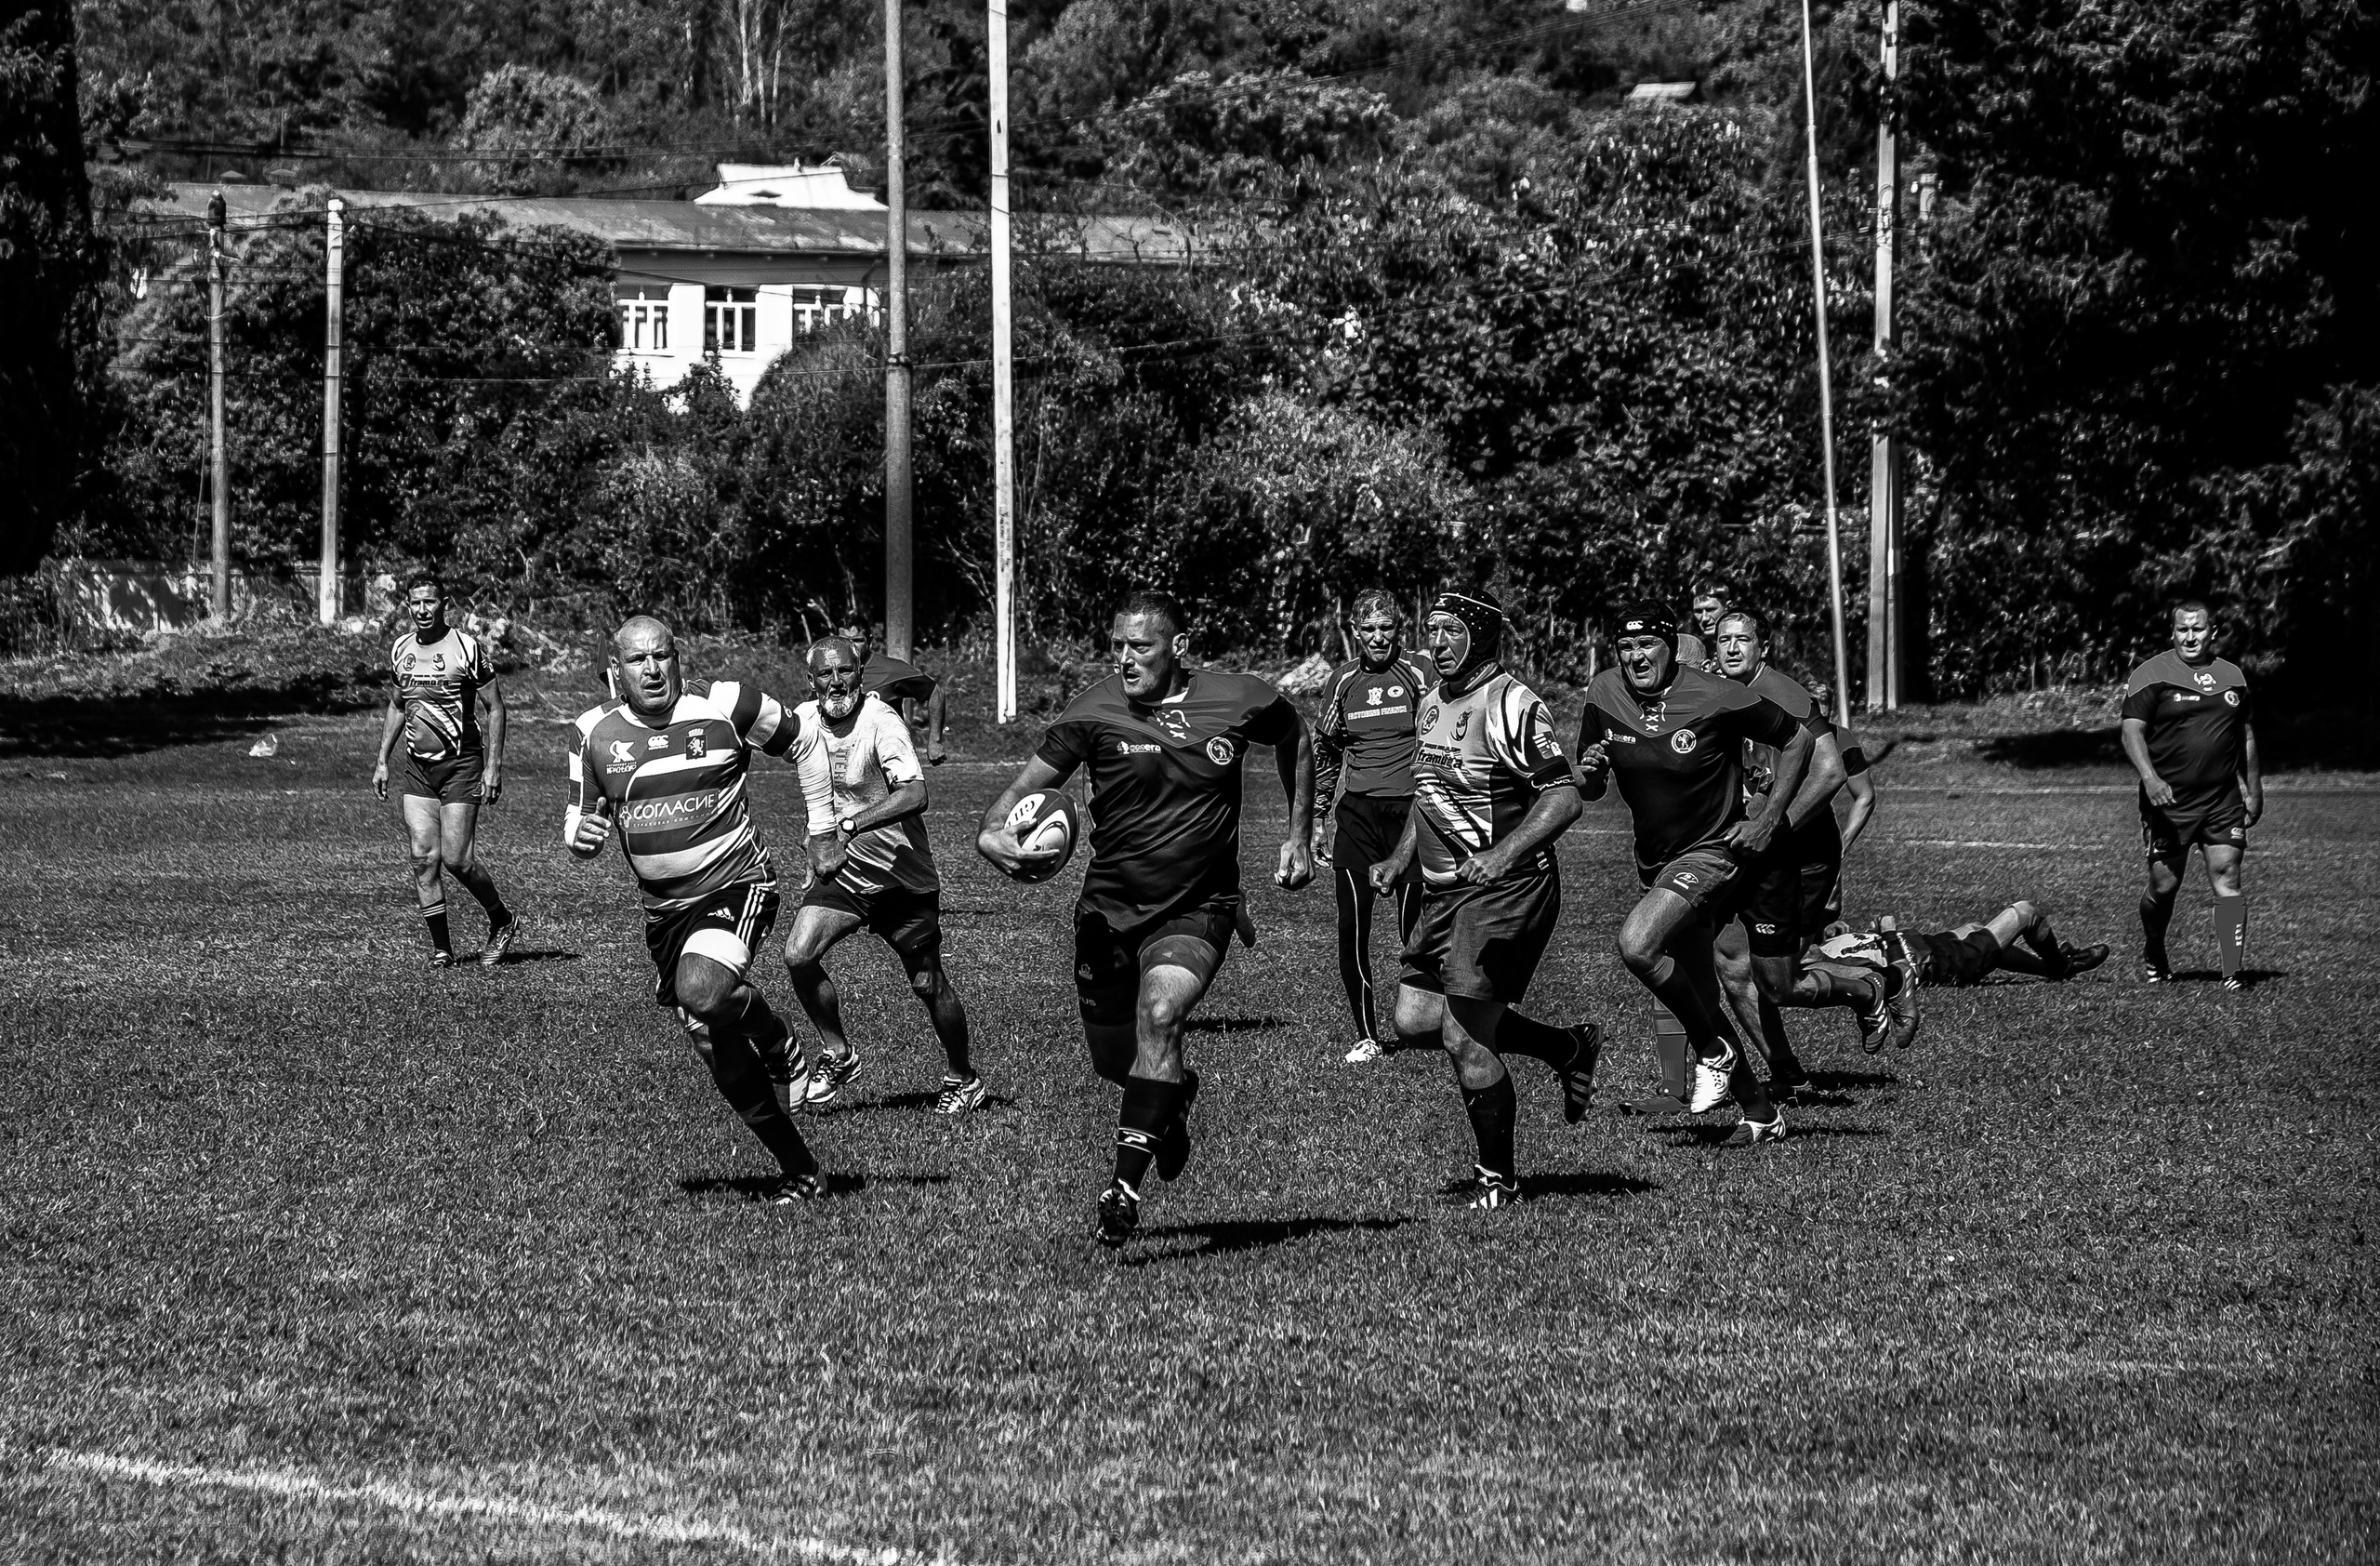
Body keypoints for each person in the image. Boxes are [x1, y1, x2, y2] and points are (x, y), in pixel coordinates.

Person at [975, 591, 1314, 1248]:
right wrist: (992, 832)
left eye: (1141, 647)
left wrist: (1301, 832)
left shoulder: (1239, 698)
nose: (1125, 660)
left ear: (1177, 648)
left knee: (1161, 1015)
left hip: (1198, 905)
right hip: (1108, 910)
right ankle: (1173, 1098)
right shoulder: (1094, 709)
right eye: (1117, 647)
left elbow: (1295, 735)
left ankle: (1122, 1191)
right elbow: (1017, 794)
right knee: (1115, 1061)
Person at [1577, 602, 1905, 1144]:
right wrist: (1589, 773)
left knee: (1643, 946)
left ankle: (1729, 1046)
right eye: (1626, 646)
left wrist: (1772, 821)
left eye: (1648, 644)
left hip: (1729, 852)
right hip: (1668, 860)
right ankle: (1759, 1108)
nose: (1637, 656)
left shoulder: (1737, 695)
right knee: (1719, 985)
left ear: (1673, 647)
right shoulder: (1605, 693)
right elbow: (1591, 785)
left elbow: (1811, 752)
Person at [564, 616, 844, 1203]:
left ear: (678, 659)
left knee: (701, 991)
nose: (653, 669)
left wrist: (823, 829)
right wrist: (581, 835)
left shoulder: (725, 706)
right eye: (639, 660)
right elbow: (579, 815)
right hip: (665, 915)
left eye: (663, 656)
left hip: (736, 882)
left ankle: (781, 1045)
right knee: (711, 1038)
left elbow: (808, 744)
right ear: (616, 671)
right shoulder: (591, 731)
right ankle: (802, 1170)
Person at [1371, 591, 1600, 1210]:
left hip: (1507, 889)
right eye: (1431, 631)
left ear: (1480, 637)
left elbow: (1564, 798)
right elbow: (1428, 792)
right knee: (1414, 1021)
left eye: (1449, 631)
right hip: (1447, 892)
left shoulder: (1513, 704)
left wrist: (1504, 855)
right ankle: (1566, 1048)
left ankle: (1498, 1180)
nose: (1436, 643)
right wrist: (1399, 859)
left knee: (1465, 1035)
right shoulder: (1430, 704)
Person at [1710, 608, 1917, 1080]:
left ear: (1764, 647)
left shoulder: (1785, 694)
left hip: (1800, 851)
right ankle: (1786, 1072)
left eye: (1743, 639)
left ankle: (1876, 984)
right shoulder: (1721, 692)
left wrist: (1771, 827)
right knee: (1732, 961)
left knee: (1784, 979)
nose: (1733, 648)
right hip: (1752, 847)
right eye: (1724, 640)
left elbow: (1830, 771)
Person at [784, 637, 985, 1115]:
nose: (837, 682)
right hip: (845, 875)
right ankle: (839, 1052)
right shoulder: (804, 721)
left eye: (846, 672)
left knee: (926, 982)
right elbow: (750, 733)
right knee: (798, 954)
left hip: (902, 874)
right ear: (811, 682)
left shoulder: (881, 721)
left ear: (860, 673)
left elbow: (915, 794)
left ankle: (964, 1076)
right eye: (826, 675)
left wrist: (847, 826)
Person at [1313, 591, 1437, 1062]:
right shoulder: (1342, 681)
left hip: (1412, 816)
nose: (1378, 637)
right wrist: (1322, 815)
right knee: (1353, 928)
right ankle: (1366, 1035)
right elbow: (1327, 749)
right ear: (1355, 631)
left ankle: (1431, 1023)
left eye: (1386, 628)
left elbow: (1443, 735)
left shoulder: (1420, 673)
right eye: (1369, 629)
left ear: (1400, 630)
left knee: (1415, 930)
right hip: (1357, 817)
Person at [372, 572, 519, 969]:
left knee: (457, 860)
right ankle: (442, 951)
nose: (422, 610)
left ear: (444, 604)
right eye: (415, 603)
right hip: (418, 769)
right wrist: (384, 758)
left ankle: (502, 919)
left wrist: (494, 767)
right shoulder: (401, 648)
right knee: (423, 857)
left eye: (430, 602)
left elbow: (496, 707)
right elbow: (398, 705)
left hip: (463, 766)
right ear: (407, 605)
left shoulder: (466, 648)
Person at [2121, 601, 2262, 989]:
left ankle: (2232, 972)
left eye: (2198, 629)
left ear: (2212, 631)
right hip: (2169, 802)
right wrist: (2150, 779)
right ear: (2173, 633)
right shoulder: (2151, 674)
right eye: (2183, 630)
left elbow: (2245, 734)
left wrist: (2253, 788)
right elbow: (2131, 732)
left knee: (2228, 878)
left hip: (2222, 800)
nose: (2190, 636)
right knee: (2164, 887)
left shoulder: (2232, 676)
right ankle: (2155, 952)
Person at [1814, 904, 2110, 989]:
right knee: (2025, 913)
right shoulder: (1826, 968)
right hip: (1937, 963)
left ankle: (2052, 967)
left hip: (1927, 944)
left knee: (1975, 930)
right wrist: (1889, 935)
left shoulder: (1818, 946)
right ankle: (2063, 966)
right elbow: (1888, 979)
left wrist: (1832, 933)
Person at [834, 617, 948, 764]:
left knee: (909, 788)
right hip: (843, 756)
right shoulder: (829, 675)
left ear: (870, 641)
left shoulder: (891, 670)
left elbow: (935, 693)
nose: (850, 647)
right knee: (837, 786)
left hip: (887, 757)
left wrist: (934, 741)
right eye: (844, 642)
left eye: (857, 641)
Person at [1674, 581, 1732, 671]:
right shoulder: (1694, 647)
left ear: (1728, 607)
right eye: (1698, 611)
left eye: (1711, 609)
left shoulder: (1740, 646)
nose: (1705, 618)